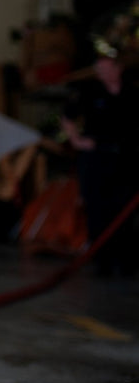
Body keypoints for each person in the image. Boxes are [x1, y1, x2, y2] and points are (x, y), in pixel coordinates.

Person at [59, 37, 139, 277]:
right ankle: (102, 261)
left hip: (125, 159)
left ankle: (125, 261)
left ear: (118, 68)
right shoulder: (90, 92)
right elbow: (67, 117)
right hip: (97, 159)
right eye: (99, 69)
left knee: (124, 210)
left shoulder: (132, 91)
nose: (103, 73)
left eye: (107, 68)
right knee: (98, 210)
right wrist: (76, 140)